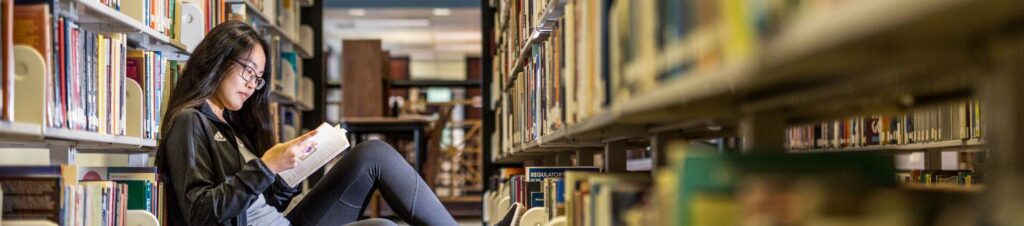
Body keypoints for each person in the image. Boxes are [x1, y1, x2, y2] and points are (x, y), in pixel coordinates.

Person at [156, 21, 458, 226]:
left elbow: (261, 204)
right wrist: (265, 167)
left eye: (257, 78)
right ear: (217, 60)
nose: (251, 85)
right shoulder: (190, 121)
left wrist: (289, 174)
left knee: (373, 155)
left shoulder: (232, 125)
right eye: (247, 70)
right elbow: (199, 214)